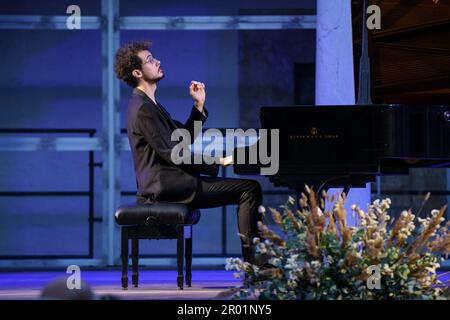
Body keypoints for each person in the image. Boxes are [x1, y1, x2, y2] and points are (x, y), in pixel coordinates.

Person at [114, 40, 262, 263]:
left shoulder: (149, 103)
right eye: (150, 60)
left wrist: (198, 107)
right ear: (137, 72)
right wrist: (219, 161)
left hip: (172, 182)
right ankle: (256, 265)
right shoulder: (143, 107)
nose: (157, 62)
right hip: (166, 187)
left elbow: (182, 139)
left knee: (248, 188)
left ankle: (255, 263)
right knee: (248, 189)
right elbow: (174, 153)